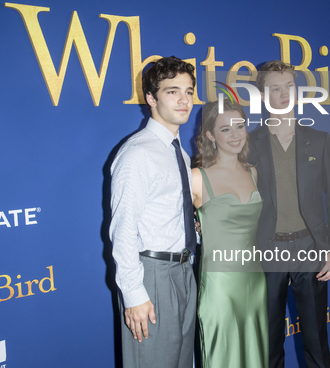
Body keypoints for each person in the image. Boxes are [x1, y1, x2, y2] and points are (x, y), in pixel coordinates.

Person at [248, 61, 330, 368]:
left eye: (289, 86)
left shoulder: (319, 140)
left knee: (317, 341)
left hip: (311, 250)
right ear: (263, 95)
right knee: (269, 342)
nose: (283, 94)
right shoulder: (248, 145)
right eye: (275, 88)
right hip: (267, 252)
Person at [110, 56, 197, 368]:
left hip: (185, 272)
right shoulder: (137, 153)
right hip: (153, 276)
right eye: (173, 91)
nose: (184, 99)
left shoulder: (179, 153)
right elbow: (122, 229)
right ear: (151, 97)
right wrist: (134, 294)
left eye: (188, 91)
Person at [191, 99, 268, 368]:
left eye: (240, 126)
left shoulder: (252, 172)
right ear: (210, 135)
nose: (235, 135)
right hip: (219, 285)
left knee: (254, 354)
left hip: (254, 281)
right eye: (225, 129)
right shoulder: (197, 178)